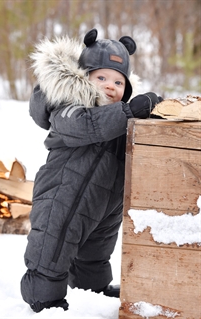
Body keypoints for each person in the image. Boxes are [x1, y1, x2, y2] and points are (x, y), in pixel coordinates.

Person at [20, 28, 162, 313]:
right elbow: (88, 125)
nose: (110, 86)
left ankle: (92, 285)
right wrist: (129, 112)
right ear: (83, 78)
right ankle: (43, 295)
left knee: (97, 248)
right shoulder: (68, 107)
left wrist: (153, 112)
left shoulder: (122, 118)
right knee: (54, 240)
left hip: (105, 201)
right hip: (64, 191)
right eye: (101, 78)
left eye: (118, 82)